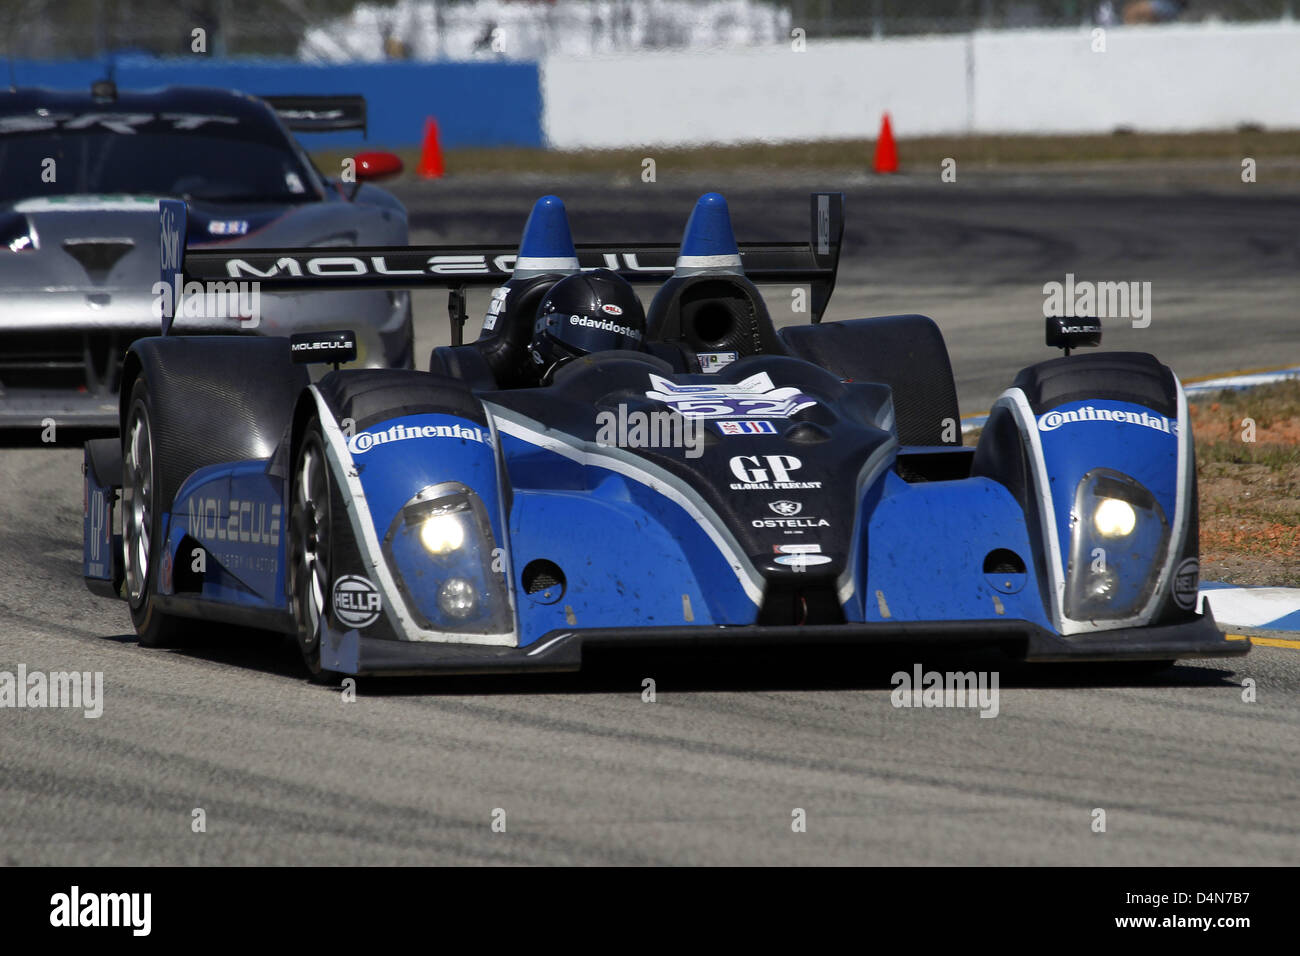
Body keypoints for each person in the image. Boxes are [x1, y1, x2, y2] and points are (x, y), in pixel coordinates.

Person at [526, 269, 647, 384]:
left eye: (606, 340)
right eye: (585, 335)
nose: (597, 363)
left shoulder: (627, 401)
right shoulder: (518, 396)